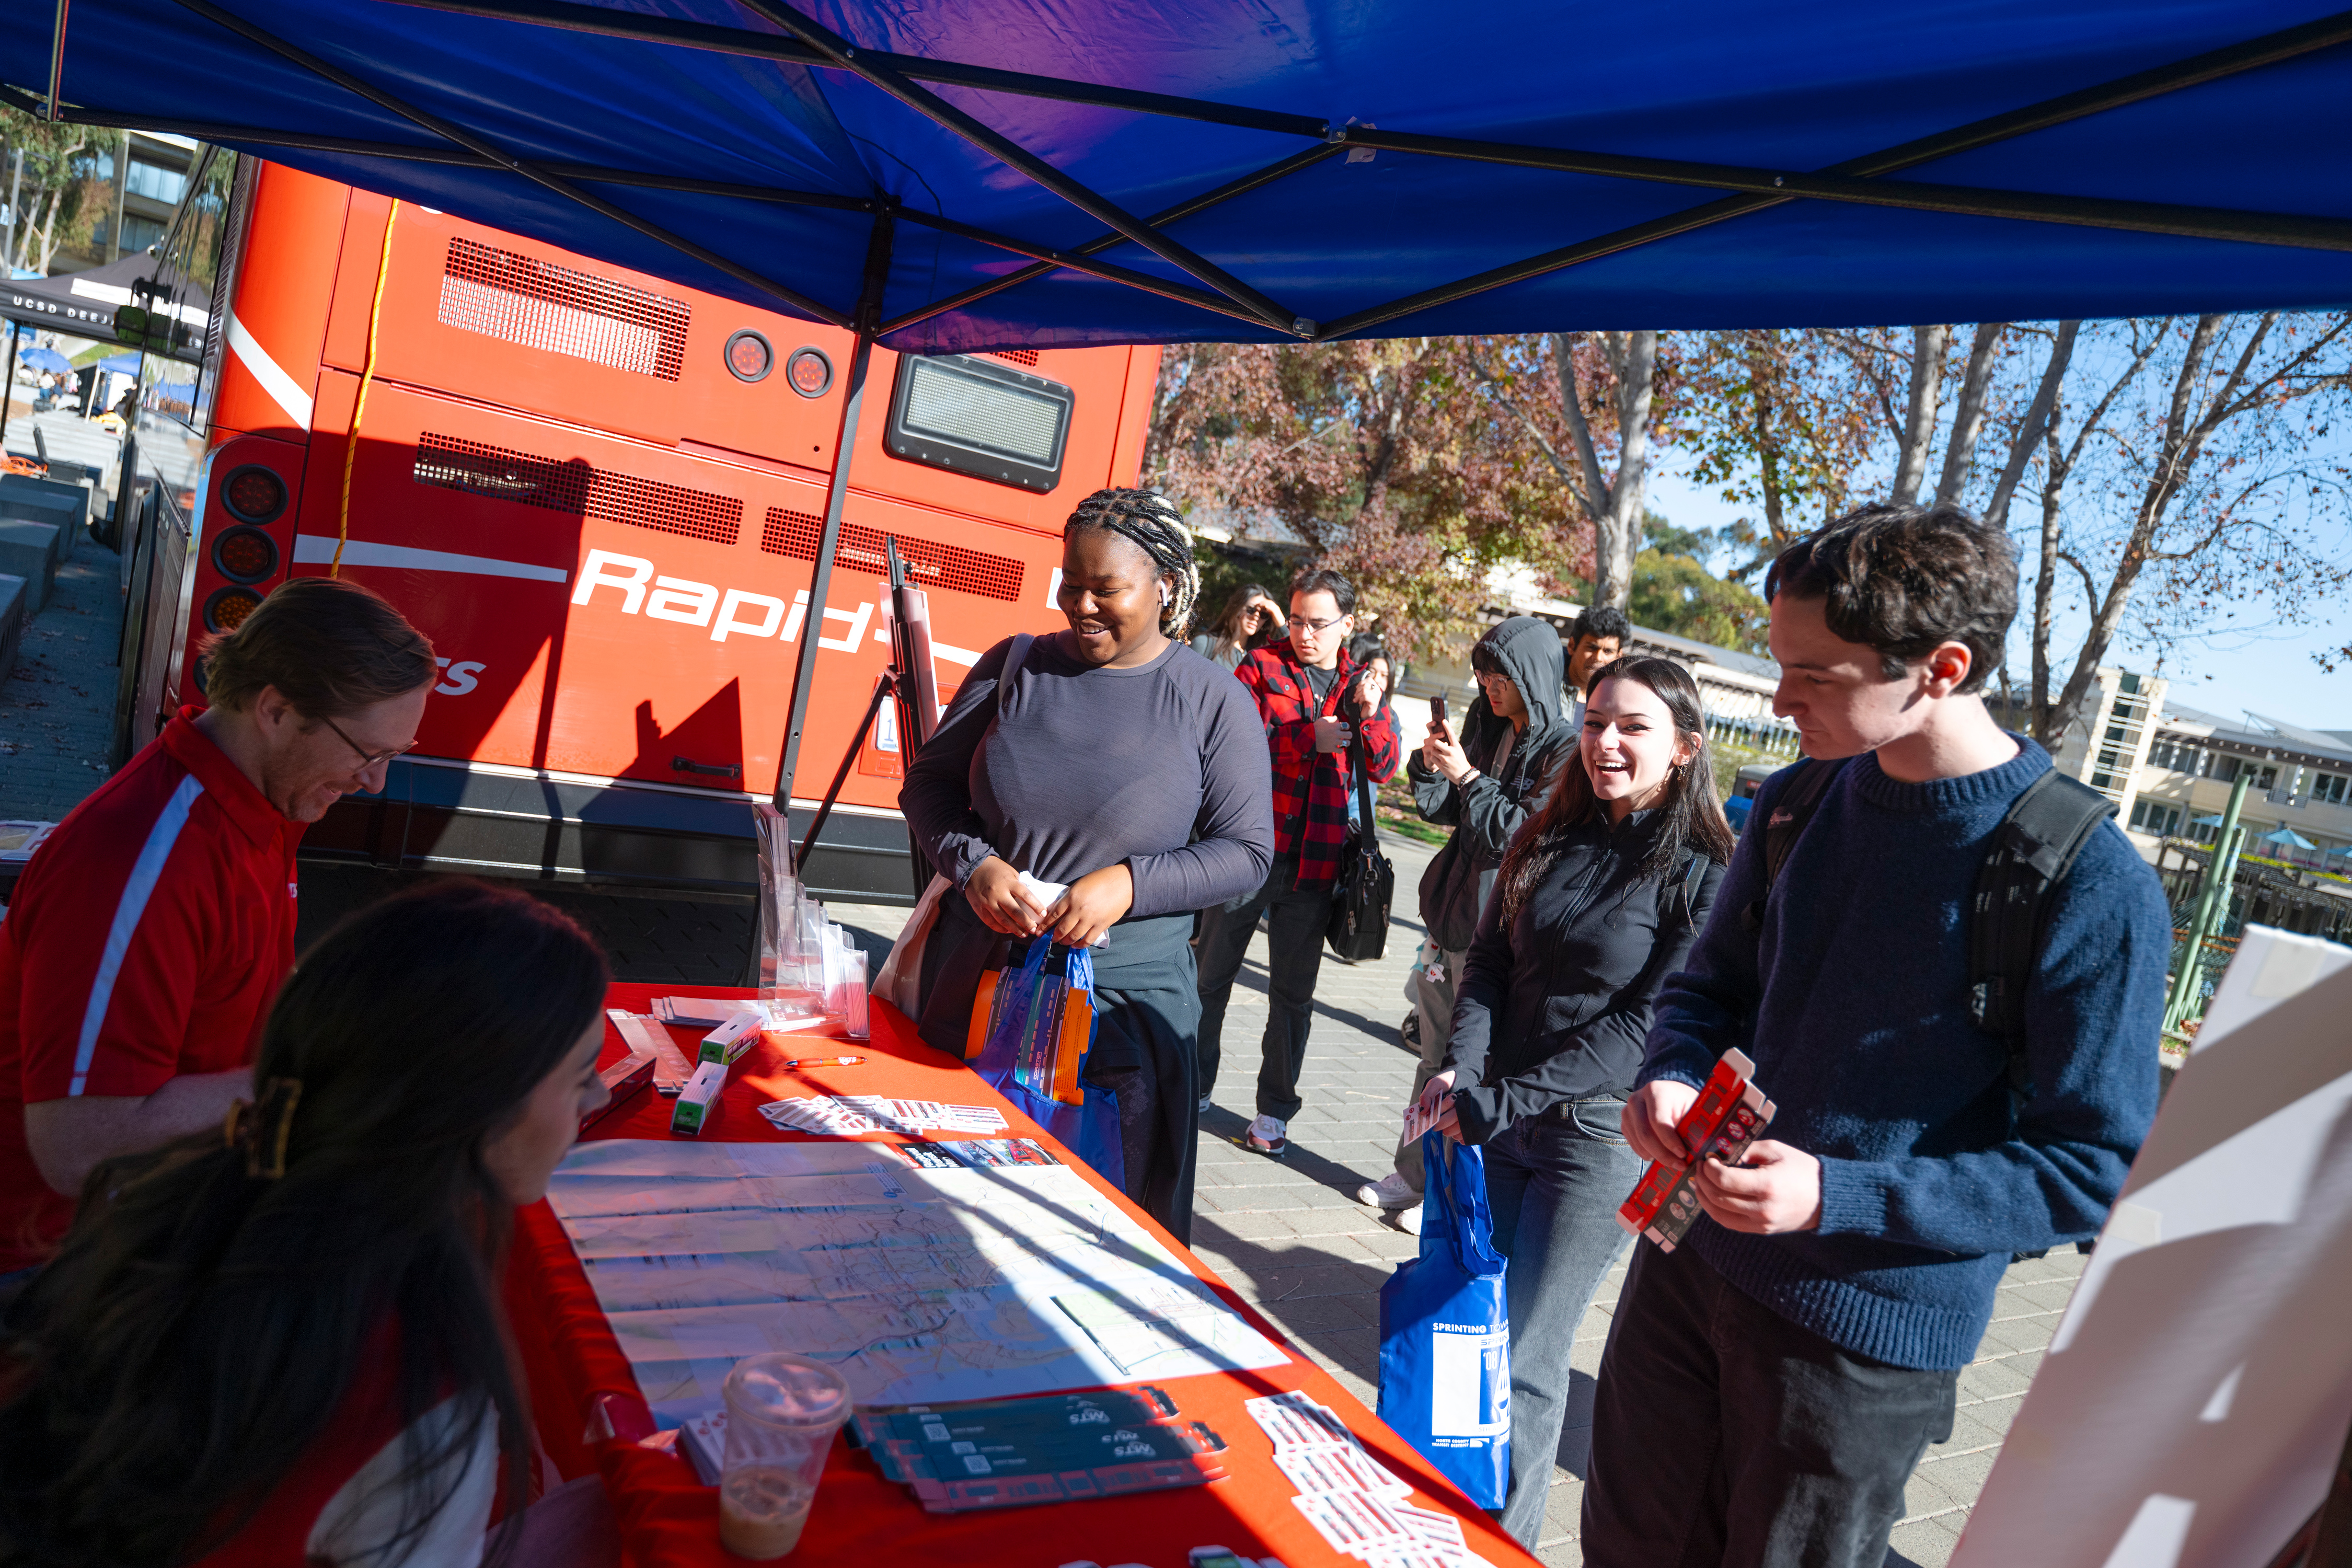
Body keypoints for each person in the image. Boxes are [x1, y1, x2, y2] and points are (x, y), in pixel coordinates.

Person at [1582, 504, 2170, 1568]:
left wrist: (1838, 1195)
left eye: (1817, 675)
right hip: (1684, 1271)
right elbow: (1703, 993)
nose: (1779, 696)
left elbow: (2091, 1169)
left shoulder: (2089, 882)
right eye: (1779, 661)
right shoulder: (1797, 805)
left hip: (1860, 1346)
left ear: (1942, 668)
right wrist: (1669, 1077)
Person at [0, 880, 613, 1565]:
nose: (605, 1093)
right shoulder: (420, 1393)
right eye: (582, 1074)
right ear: (472, 1113)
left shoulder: (173, 1207)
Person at [0, 577, 435, 1288]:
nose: (376, 782)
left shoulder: (262, 803)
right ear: (274, 709)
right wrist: (307, 1081)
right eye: (367, 752)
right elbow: (78, 1149)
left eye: (395, 754)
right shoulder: (142, 861)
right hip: (53, 1255)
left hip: (150, 1206)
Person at [1413, 655, 1731, 1549]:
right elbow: (1490, 964)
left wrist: (1500, 1097)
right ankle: (1434, 1521)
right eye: (1596, 723)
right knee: (1463, 1339)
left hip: (1597, 1139)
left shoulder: (1705, 869)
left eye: (1634, 727)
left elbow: (1651, 1023)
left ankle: (1496, 1545)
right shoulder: (1548, 833)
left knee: (1521, 1363)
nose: (1607, 743)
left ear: (1684, 748)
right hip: (1495, 1121)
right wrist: (1464, 1077)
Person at [902, 488, 1273, 1242]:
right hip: (974, 992)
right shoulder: (1016, 665)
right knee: (946, 1227)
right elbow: (928, 788)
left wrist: (1132, 884)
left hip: (1119, 1026)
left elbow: (1248, 853)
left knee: (1090, 1240)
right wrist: (975, 866)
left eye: (1108, 589)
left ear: (1165, 586)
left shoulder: (1212, 701)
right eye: (1071, 582)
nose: (1083, 604)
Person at [1354, 616, 1578, 1231]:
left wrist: (1469, 778)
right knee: (1431, 1056)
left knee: (1470, 1066)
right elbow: (1452, 812)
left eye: (1498, 676)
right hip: (1450, 916)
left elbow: (1519, 835)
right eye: (1482, 675)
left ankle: (1449, 1195)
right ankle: (1413, 1173)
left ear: (1531, 676)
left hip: (1499, 928)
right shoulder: (1490, 725)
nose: (1488, 686)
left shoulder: (1564, 747)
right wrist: (1432, 768)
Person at [1195, 569, 1401, 1157]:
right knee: (1210, 979)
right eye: (1299, 619)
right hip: (1246, 851)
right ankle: (1194, 1084)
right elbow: (1227, 747)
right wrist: (1307, 737)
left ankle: (1274, 1112)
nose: (1305, 633)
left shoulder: (1360, 684)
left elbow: (1383, 766)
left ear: (1348, 626)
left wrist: (1370, 711)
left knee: (1292, 997)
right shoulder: (1260, 667)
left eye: (1319, 623)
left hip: (1315, 866)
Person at [1191, 582, 1281, 668]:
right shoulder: (1204, 644)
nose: (1256, 617)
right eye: (1251, 610)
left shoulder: (1260, 659)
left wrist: (1281, 622)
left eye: (1264, 614)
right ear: (1237, 608)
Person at [1565, 603, 1628, 722]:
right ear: (1572, 646)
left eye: (1608, 651)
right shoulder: (1545, 688)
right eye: (1592, 648)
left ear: (1618, 657)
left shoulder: (1620, 704)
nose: (1599, 658)